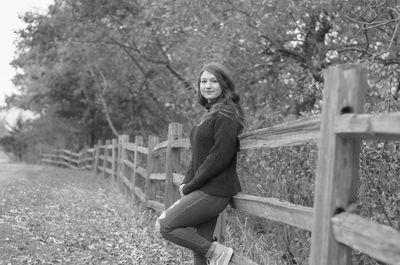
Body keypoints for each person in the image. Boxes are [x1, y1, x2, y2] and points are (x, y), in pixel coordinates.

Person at [155, 62, 244, 265]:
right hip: (204, 190)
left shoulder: (227, 113)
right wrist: (186, 185)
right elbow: (199, 158)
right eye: (203, 81)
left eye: (214, 81)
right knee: (199, 249)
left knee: (164, 226)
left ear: (224, 85)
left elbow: (219, 156)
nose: (208, 85)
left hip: (215, 191)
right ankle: (213, 252)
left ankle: (219, 254)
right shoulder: (212, 113)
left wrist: (192, 185)